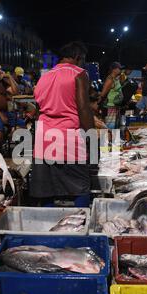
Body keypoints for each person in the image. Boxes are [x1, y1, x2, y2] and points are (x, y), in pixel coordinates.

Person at [30, 41, 94, 208]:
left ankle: (49, 227)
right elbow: (83, 108)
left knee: (47, 189)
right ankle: (81, 227)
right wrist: (92, 138)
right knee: (80, 186)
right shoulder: (79, 74)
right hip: (69, 137)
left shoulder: (44, 77)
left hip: (44, 138)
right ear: (78, 57)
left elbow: (39, 110)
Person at [99, 62, 124, 129]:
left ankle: (112, 138)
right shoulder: (110, 80)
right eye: (119, 69)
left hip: (114, 106)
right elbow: (103, 94)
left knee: (113, 126)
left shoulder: (116, 78)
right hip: (110, 106)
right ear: (114, 70)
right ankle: (109, 138)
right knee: (110, 126)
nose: (120, 70)